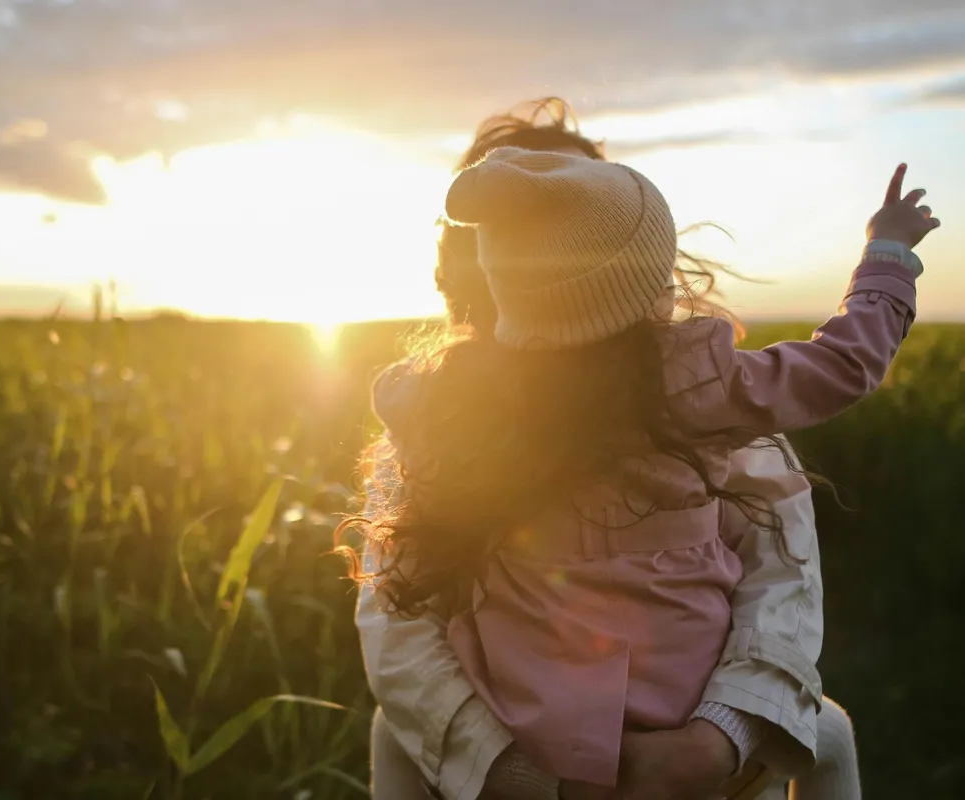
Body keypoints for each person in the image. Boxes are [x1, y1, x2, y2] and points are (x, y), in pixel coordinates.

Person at [351, 99, 927, 798]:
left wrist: (718, 737)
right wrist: (887, 260)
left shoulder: (444, 405)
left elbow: (780, 572)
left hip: (594, 732)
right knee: (826, 733)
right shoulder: (703, 390)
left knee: (393, 733)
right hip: (583, 738)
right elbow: (844, 364)